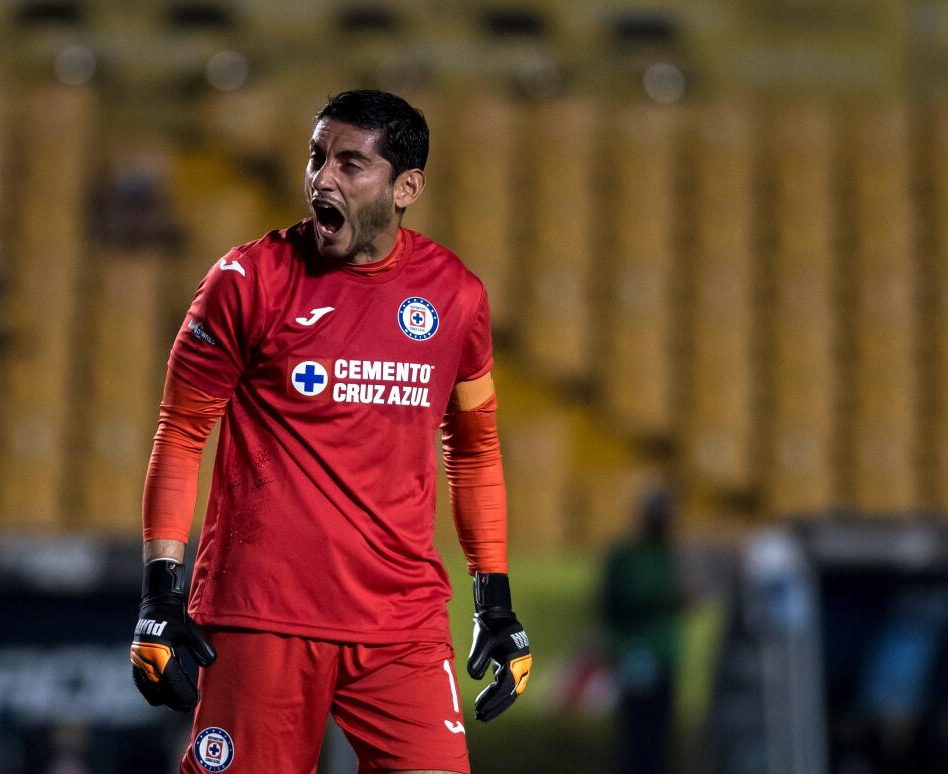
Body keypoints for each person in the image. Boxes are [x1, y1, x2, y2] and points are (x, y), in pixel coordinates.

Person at [128, 89, 532, 774]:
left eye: (350, 164)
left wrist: (494, 600)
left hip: (401, 623)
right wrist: (161, 594)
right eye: (316, 158)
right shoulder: (246, 281)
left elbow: (474, 446)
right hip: (263, 616)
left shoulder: (456, 297)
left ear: (406, 187)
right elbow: (182, 433)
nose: (322, 179)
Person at [600, 489, 683, 774]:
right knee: (636, 733)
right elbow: (613, 601)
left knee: (659, 735)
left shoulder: (670, 555)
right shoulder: (627, 556)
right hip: (635, 653)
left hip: (663, 656)